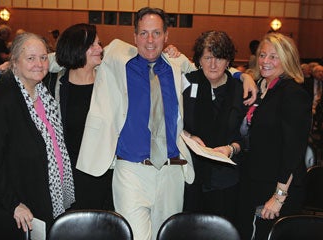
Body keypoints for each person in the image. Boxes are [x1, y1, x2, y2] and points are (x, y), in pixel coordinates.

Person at [75, 7, 257, 240]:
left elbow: (213, 68)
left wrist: (243, 76)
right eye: (143, 33)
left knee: (167, 236)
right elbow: (65, 55)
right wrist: (19, 64)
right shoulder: (116, 55)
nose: (150, 40)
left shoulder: (177, 63)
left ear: (166, 36)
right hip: (130, 170)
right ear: (134, 36)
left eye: (156, 33)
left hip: (172, 171)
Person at [0, 32, 75, 233]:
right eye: (30, 58)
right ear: (14, 62)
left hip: (43, 198)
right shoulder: (0, 98)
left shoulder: (42, 92)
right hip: (18, 209)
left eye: (43, 57)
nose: (39, 64)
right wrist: (13, 204)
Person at [236, 32, 311, 240]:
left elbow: (294, 151)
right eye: (262, 55)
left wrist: (279, 197)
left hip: (276, 187)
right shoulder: (262, 89)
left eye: (273, 56)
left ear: (287, 59)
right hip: (254, 180)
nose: (265, 61)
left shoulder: (293, 94)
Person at [44, 23, 113, 210]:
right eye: (92, 45)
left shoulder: (109, 82)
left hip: (102, 175)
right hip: (65, 174)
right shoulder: (53, 84)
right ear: (77, 49)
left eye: (99, 43)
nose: (100, 49)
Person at [182, 31, 246, 223]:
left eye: (219, 58)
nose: (212, 64)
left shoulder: (241, 90)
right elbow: (170, 121)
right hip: (191, 175)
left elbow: (248, 136)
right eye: (207, 57)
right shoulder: (186, 82)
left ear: (228, 62)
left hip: (227, 179)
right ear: (199, 60)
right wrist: (187, 135)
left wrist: (231, 148)